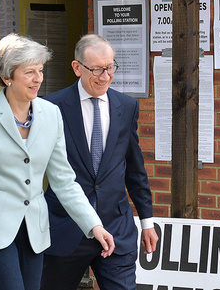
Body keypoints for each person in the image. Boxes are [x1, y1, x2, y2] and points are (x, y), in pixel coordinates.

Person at [0, 33, 115, 290]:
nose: (38, 78)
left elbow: (64, 181)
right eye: (29, 72)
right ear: (7, 77)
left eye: (40, 70)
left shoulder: (51, 114)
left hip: (34, 229)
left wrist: (93, 225)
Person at [40, 34, 158, 290]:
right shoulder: (50, 107)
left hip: (116, 228)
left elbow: (135, 169)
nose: (105, 76)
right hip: (64, 228)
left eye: (110, 67)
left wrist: (147, 221)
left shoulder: (126, 106)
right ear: (77, 68)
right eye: (96, 69)